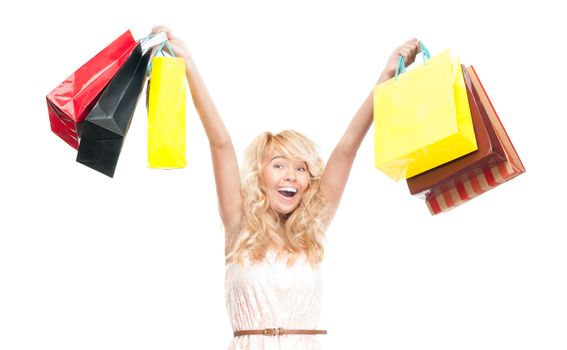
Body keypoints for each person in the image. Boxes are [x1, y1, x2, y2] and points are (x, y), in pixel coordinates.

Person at [150, 25, 421, 350]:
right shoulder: (239, 224)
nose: (290, 176)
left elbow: (348, 146)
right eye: (278, 165)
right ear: (260, 175)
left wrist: (388, 73)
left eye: (300, 168)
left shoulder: (313, 227)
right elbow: (220, 143)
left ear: (309, 182)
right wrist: (189, 65)